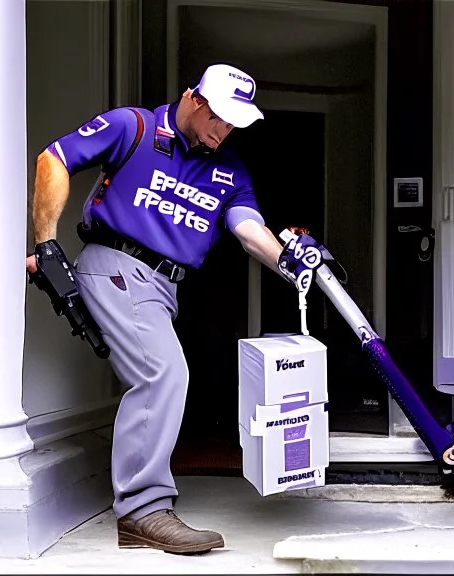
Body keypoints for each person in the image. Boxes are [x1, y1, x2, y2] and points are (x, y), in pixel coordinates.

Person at [25, 63, 297, 555]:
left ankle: (140, 505)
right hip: (115, 263)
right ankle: (142, 510)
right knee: (162, 374)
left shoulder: (229, 172)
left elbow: (250, 232)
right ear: (193, 99)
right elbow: (54, 159)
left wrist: (295, 264)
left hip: (163, 286)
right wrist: (45, 246)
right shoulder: (133, 127)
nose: (225, 130)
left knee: (158, 374)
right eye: (219, 117)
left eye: (235, 122)